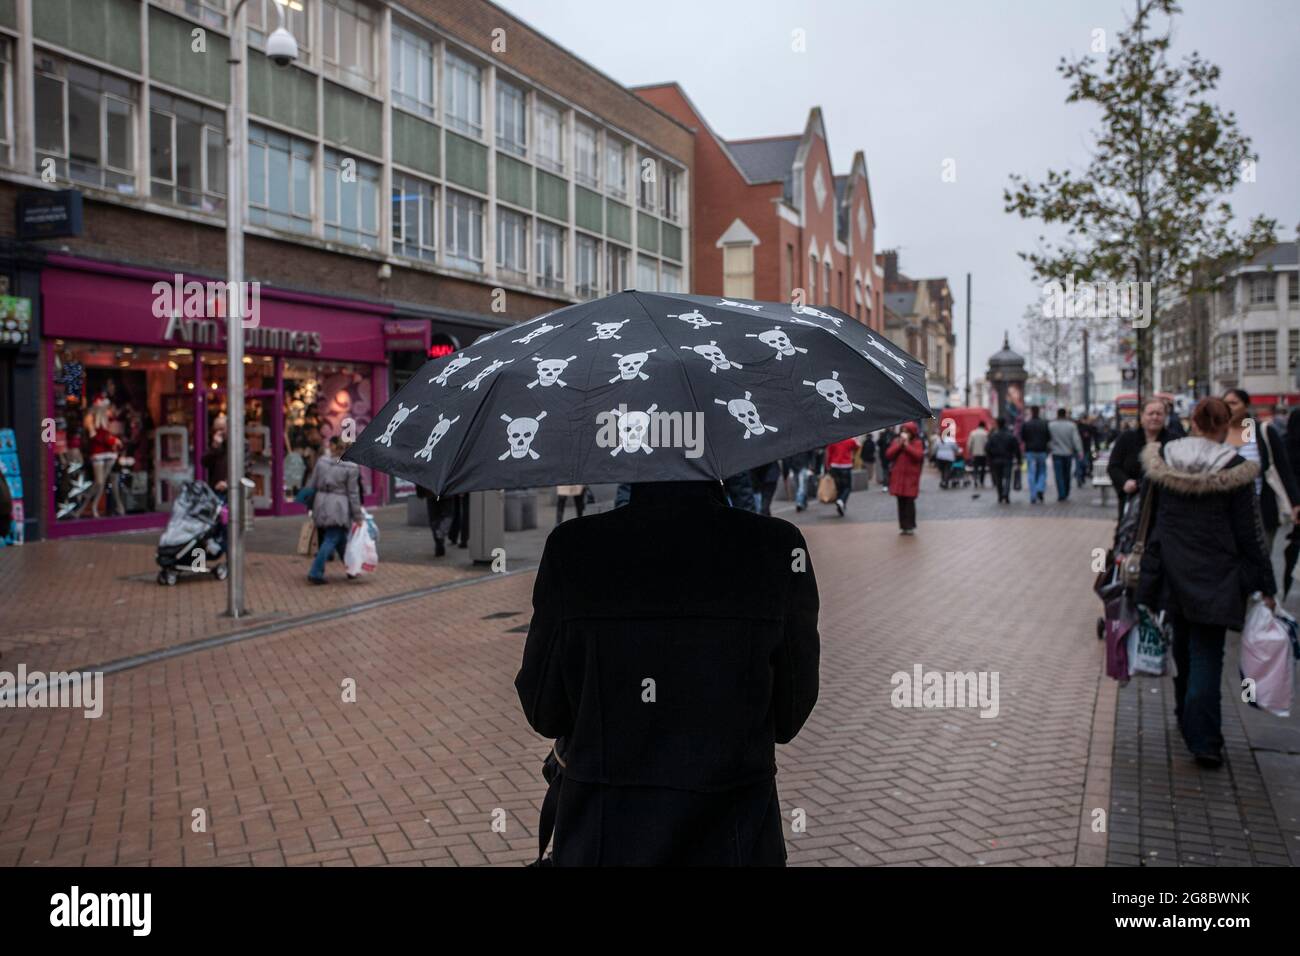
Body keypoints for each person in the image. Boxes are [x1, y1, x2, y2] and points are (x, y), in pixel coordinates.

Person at [516, 480, 820, 865]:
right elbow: (789, 714)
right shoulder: (777, 547)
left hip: (602, 835)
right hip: (735, 836)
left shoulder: (572, 549)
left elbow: (545, 710)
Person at [1136, 397, 1275, 768]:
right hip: (1217, 576)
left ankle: (1186, 716)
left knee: (1183, 651)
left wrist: (1143, 576)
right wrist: (1265, 584)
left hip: (1172, 573)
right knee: (1207, 656)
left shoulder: (1163, 458)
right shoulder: (1235, 468)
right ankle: (1205, 739)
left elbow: (1149, 522)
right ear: (1224, 425)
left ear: (1193, 421)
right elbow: (1251, 533)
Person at [1224, 388, 1300, 556]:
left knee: (1260, 560)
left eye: (1234, 403)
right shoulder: (1219, 433)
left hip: (1260, 509)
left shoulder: (1261, 432)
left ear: (1246, 406)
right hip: (1226, 509)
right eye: (1226, 403)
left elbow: (1283, 469)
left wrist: (1295, 503)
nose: (1229, 407)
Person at [305, 436, 363, 585]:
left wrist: (311, 505)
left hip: (321, 502)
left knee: (340, 539)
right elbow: (353, 494)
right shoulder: (351, 467)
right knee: (332, 538)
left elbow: (312, 484)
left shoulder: (322, 462)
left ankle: (352, 568)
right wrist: (358, 516)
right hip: (338, 506)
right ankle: (315, 572)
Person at [1107, 399, 1170, 521]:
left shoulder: (1174, 440)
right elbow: (1114, 466)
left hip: (1164, 506)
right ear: (1142, 416)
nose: (1155, 417)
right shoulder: (1126, 438)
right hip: (1132, 501)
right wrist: (1125, 482)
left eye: (1159, 413)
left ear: (1165, 416)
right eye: (1150, 413)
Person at [885, 423, 923, 534]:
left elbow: (918, 456)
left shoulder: (917, 443)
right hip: (898, 477)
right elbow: (888, 454)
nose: (904, 433)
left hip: (910, 478)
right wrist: (900, 445)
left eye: (906, 431)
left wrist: (907, 446)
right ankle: (903, 526)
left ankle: (910, 525)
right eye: (903, 431)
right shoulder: (896, 442)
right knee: (901, 502)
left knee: (909, 502)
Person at [1048, 407, 1084, 502]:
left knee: (1058, 475)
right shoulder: (1071, 425)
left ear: (1057, 414)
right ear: (1065, 415)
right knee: (1067, 474)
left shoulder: (1051, 425)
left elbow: (1049, 439)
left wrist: (1050, 447)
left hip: (1056, 453)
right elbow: (1076, 440)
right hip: (1068, 453)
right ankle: (1066, 492)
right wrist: (1080, 451)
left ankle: (1061, 493)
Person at [985, 417, 1021, 504]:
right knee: (1008, 478)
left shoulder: (993, 436)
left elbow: (987, 448)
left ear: (997, 424)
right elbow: (1016, 448)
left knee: (998, 479)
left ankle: (1000, 496)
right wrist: (1019, 459)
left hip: (996, 460)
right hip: (1007, 459)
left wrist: (990, 459)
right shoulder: (1010, 435)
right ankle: (1006, 494)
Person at [1020, 406, 1051, 504]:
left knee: (1031, 473)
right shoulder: (1044, 424)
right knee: (1042, 471)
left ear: (1031, 412)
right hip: (1042, 451)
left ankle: (1033, 495)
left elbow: (1023, 437)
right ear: (1039, 412)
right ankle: (1039, 488)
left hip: (1030, 451)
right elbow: (1048, 437)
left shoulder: (1026, 424)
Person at [824, 436, 860, 517]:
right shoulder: (849, 439)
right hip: (846, 466)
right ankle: (841, 501)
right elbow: (858, 446)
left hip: (834, 466)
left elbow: (829, 454)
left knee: (839, 487)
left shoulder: (833, 439)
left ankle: (841, 504)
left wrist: (828, 466)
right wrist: (852, 454)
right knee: (847, 487)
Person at [416, 484, 452, 556]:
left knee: (435, 519)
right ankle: (439, 538)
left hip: (433, 493)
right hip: (442, 493)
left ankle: (439, 541)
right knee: (445, 516)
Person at [790, 447, 822, 512]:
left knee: (801, 487)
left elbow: (812, 454)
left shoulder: (804, 442)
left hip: (803, 466)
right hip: (795, 467)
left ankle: (799, 502)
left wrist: (812, 466)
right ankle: (803, 501)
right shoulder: (792, 443)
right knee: (799, 487)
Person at [967, 421, 990, 488]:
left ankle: (975, 480)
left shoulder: (973, 433)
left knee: (975, 468)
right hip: (983, 454)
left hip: (975, 454)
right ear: (984, 426)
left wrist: (970, 452)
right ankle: (981, 481)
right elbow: (987, 444)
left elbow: (969, 444)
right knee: (983, 468)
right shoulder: (985, 433)